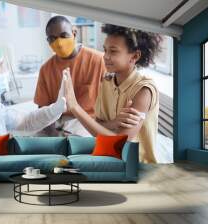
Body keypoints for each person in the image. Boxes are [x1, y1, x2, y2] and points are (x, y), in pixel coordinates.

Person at [63, 24, 162, 163]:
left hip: (135, 165)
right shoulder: (107, 82)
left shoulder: (143, 90)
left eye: (113, 51)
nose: (106, 56)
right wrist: (114, 123)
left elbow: (118, 146)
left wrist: (75, 107)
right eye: (105, 50)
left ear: (134, 56)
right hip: (107, 160)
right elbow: (98, 124)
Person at [33, 16, 107, 136]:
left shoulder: (99, 61)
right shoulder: (46, 69)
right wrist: (53, 137)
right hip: (57, 121)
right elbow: (43, 110)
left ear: (74, 33)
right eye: (53, 38)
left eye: (63, 35)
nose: (59, 43)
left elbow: (112, 101)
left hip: (87, 121)